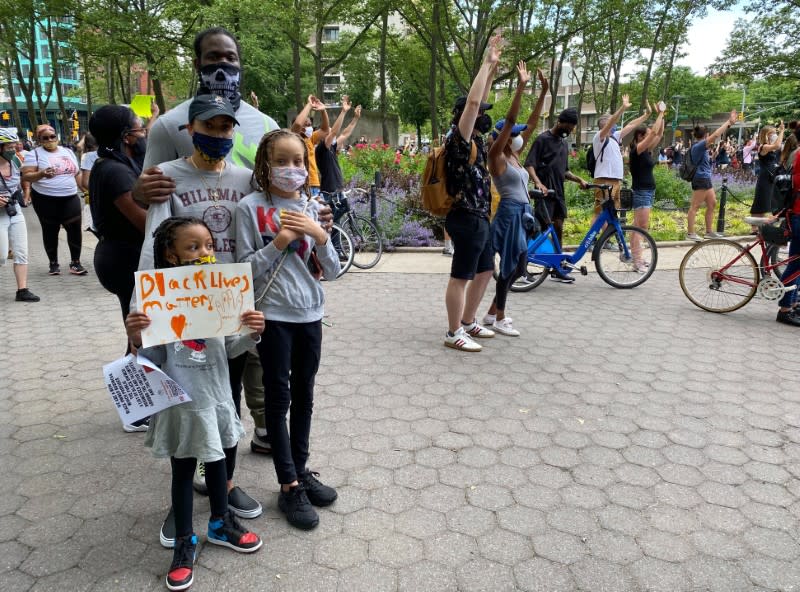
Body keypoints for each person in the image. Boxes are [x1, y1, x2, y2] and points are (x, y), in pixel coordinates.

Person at [134, 27, 288, 493]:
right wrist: (142, 297)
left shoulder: (261, 125)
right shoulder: (167, 127)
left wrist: (307, 210)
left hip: (243, 289)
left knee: (241, 379)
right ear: (197, 63)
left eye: (231, 58)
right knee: (197, 385)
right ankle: (204, 473)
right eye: (212, 59)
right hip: (186, 297)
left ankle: (228, 475)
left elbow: (278, 193)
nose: (223, 68)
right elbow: (151, 205)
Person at [135, 94, 265, 545]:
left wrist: (314, 213)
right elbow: (154, 243)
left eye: (227, 128)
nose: (220, 136)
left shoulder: (247, 178)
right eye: (210, 128)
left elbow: (274, 211)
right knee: (187, 403)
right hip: (182, 311)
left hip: (232, 308)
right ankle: (183, 503)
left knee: (226, 403)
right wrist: (143, 311)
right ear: (190, 130)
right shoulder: (167, 178)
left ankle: (222, 492)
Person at [125, 217, 265, 592]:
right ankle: (184, 542)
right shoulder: (159, 300)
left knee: (219, 462)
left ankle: (220, 523)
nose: (205, 253)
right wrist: (136, 335)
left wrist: (251, 331)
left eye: (208, 246)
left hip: (217, 398)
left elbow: (229, 350)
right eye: (193, 248)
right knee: (184, 471)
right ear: (171, 256)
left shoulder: (220, 295)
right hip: (182, 406)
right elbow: (153, 357)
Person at [235, 129, 340, 530]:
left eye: (298, 161)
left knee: (305, 394)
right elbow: (244, 269)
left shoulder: (313, 206)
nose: (292, 169)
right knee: (278, 398)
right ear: (265, 164)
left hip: (310, 314)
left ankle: (302, 466)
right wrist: (279, 240)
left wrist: (319, 235)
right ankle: (288, 483)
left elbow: (330, 271)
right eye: (283, 160)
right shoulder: (250, 207)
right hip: (273, 317)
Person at [441, 34, 503, 352]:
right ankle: (454, 332)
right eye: (478, 113)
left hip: (480, 215)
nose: (483, 115)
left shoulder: (475, 139)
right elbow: (474, 102)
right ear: (467, 116)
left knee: (485, 269)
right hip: (465, 216)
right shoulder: (459, 138)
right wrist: (485, 63)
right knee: (462, 276)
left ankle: (468, 321)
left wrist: (491, 72)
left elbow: (480, 101)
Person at [480, 61, 534, 337]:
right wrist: (520, 87)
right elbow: (511, 122)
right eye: (513, 134)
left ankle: (492, 312)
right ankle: (499, 317)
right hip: (509, 213)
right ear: (504, 137)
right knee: (512, 265)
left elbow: (530, 126)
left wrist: (542, 93)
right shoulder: (496, 157)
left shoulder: (514, 156)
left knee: (520, 265)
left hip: (522, 213)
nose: (519, 137)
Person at [88, 106, 147, 346]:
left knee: (140, 332)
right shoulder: (116, 172)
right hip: (124, 259)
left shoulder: (110, 164)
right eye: (140, 130)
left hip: (121, 255)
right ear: (126, 137)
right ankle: (131, 381)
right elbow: (144, 222)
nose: (144, 135)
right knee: (141, 337)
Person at [524, 107, 589, 282]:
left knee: (558, 226)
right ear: (560, 122)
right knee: (541, 231)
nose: (571, 130)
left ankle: (557, 266)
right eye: (569, 127)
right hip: (545, 193)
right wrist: (538, 183)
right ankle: (521, 264)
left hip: (558, 192)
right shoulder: (542, 139)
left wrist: (579, 179)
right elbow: (529, 164)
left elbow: (564, 171)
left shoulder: (563, 143)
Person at [20, 124, 87, 275]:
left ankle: (76, 262)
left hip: (70, 197)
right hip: (45, 199)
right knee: (50, 230)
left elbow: (76, 173)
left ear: (57, 137)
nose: (50, 140)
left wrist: (86, 191)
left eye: (52, 136)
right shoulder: (34, 154)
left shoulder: (68, 151)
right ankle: (53, 263)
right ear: (39, 140)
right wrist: (41, 174)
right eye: (45, 138)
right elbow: (26, 176)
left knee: (75, 229)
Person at [590, 95, 650, 221]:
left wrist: (645, 116)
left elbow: (631, 125)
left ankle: (606, 239)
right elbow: (612, 121)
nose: (615, 125)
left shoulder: (614, 137)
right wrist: (622, 108)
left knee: (612, 211)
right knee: (600, 210)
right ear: (604, 125)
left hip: (616, 180)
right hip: (604, 180)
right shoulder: (599, 137)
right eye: (612, 123)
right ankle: (594, 239)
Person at [685, 110, 738, 241]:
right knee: (694, 206)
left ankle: (709, 232)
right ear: (705, 135)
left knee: (712, 203)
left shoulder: (701, 147)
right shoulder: (699, 146)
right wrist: (728, 122)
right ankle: (690, 233)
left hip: (705, 178)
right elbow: (715, 135)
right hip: (700, 178)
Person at [0, 129, 39, 302]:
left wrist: (25, 192)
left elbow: (23, 178)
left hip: (14, 210)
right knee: (1, 255)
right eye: (8, 146)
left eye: (14, 146)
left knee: (21, 251)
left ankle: (22, 290)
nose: (12, 149)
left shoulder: (15, 160)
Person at [628, 100, 666, 272]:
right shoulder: (637, 150)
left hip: (647, 191)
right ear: (640, 136)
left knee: (640, 226)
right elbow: (654, 134)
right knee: (639, 226)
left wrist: (662, 114)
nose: (651, 134)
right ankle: (637, 260)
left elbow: (658, 134)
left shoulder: (646, 150)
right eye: (647, 133)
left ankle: (638, 258)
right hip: (641, 191)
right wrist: (659, 114)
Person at [291, 94, 329, 196]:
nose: (309, 127)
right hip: (300, 185)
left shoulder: (310, 139)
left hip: (314, 184)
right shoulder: (293, 138)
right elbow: (298, 124)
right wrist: (309, 105)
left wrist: (323, 110)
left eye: (310, 125)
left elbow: (325, 130)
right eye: (307, 125)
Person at [751, 122, 785, 222]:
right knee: (760, 201)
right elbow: (777, 145)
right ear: (766, 135)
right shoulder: (763, 147)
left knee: (770, 202)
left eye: (775, 133)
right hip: (765, 177)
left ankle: (762, 227)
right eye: (772, 133)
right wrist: (782, 131)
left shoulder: (770, 147)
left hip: (772, 177)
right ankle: (755, 227)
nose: (774, 136)